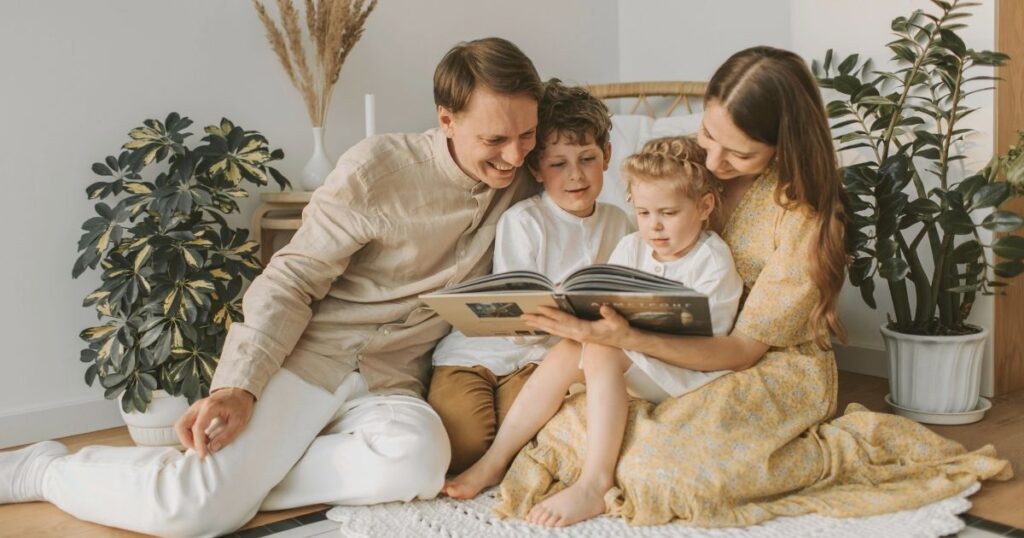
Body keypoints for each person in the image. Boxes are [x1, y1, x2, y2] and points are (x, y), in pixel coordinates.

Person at [0, 37, 542, 537]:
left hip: (392, 382)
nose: (516, 156)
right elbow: (291, 279)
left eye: (527, 135)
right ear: (446, 120)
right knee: (193, 515)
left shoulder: (527, 175)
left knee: (418, 462)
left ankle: (237, 482)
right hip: (311, 361)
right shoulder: (377, 171)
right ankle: (42, 469)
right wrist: (238, 386)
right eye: (495, 139)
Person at [489, 45, 1009, 529]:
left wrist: (624, 338)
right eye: (708, 136)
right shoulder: (689, 166)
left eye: (736, 154)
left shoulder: (804, 219)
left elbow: (741, 351)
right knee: (572, 421)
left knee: (662, 473)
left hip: (762, 362)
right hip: (667, 343)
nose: (713, 162)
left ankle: (605, 477)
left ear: (783, 146)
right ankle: (585, 468)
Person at [443, 137, 744, 527]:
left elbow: (708, 341)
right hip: (638, 362)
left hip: (683, 371)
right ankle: (495, 461)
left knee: (600, 348)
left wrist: (615, 335)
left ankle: (595, 482)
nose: (654, 225)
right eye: (644, 212)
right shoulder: (632, 246)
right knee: (571, 346)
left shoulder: (712, 260)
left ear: (703, 207)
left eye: (669, 213)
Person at [428, 79, 635, 475]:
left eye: (587, 158)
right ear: (537, 168)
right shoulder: (525, 221)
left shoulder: (620, 223)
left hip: (541, 363)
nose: (576, 175)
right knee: (462, 443)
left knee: (524, 437)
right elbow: (513, 315)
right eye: (559, 163)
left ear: (607, 156)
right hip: (479, 354)